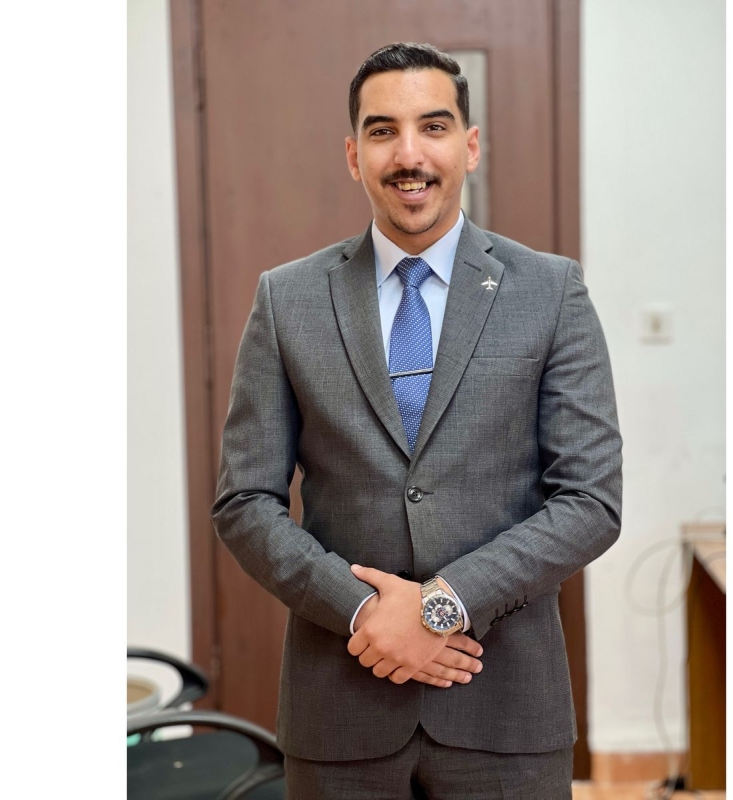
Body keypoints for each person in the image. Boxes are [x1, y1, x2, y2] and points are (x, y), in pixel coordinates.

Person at [212, 41, 622, 799]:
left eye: (433, 127)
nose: (409, 155)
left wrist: (441, 605)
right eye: (382, 131)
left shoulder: (550, 291)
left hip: (506, 713)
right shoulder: (287, 300)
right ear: (353, 154)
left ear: (470, 146)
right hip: (341, 710)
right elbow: (243, 501)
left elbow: (590, 501)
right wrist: (364, 610)